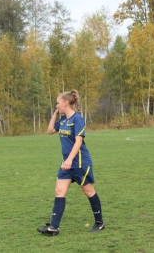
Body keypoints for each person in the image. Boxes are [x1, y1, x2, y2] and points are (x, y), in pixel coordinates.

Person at [37, 89, 104, 235]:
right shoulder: (63, 120)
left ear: (65, 103)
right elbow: (49, 131)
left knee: (88, 191)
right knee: (59, 191)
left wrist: (69, 160)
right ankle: (54, 227)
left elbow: (79, 141)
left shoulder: (77, 119)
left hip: (79, 163)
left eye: (58, 103)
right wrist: (55, 114)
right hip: (66, 164)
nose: (57, 106)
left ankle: (99, 223)